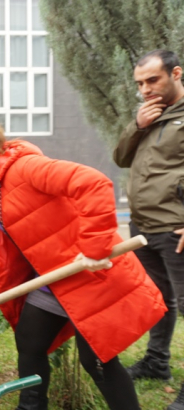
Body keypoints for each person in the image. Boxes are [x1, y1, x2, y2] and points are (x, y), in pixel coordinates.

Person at [0, 124, 166, 410]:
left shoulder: (23, 168)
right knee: (29, 341)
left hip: (90, 273)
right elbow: (6, 268)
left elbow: (92, 183)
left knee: (96, 360)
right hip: (53, 280)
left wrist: (94, 249)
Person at [113, 49, 184, 410]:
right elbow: (121, 157)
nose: (145, 89)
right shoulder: (151, 115)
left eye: (152, 80)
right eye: (140, 83)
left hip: (176, 228)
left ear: (175, 73)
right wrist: (137, 125)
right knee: (160, 300)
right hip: (143, 226)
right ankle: (157, 362)